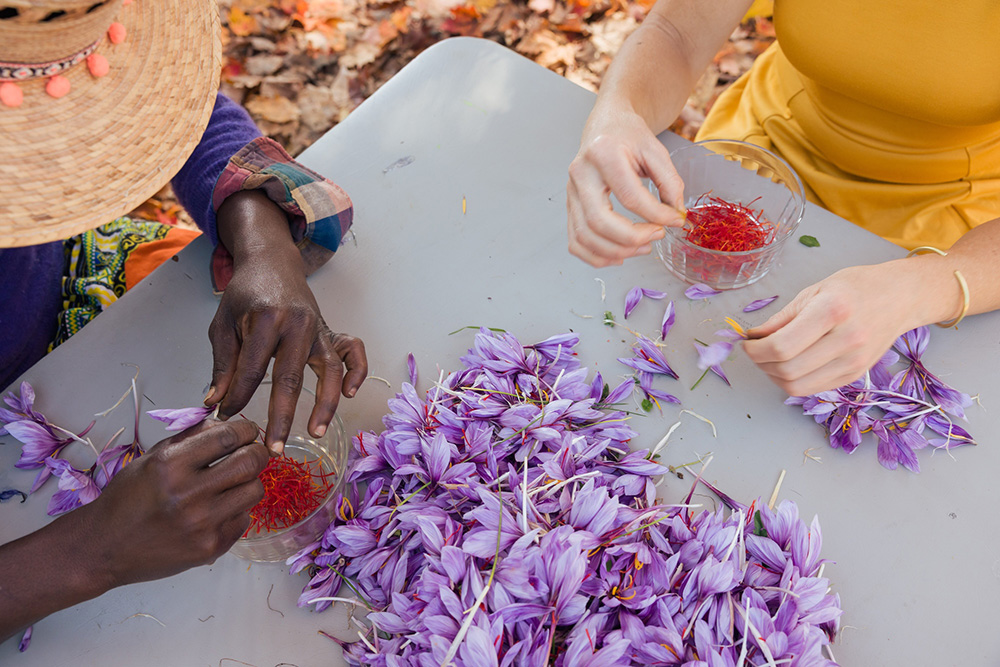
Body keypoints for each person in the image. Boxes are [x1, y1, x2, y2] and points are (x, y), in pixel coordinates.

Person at [0, 0, 366, 644]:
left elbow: (172, 114)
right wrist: (89, 553)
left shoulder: (41, 41)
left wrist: (261, 240)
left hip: (71, 284)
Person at [566, 0, 1000, 397]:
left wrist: (926, 286)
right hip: (758, 162)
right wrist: (617, 114)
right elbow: (678, 32)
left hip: (945, 226)